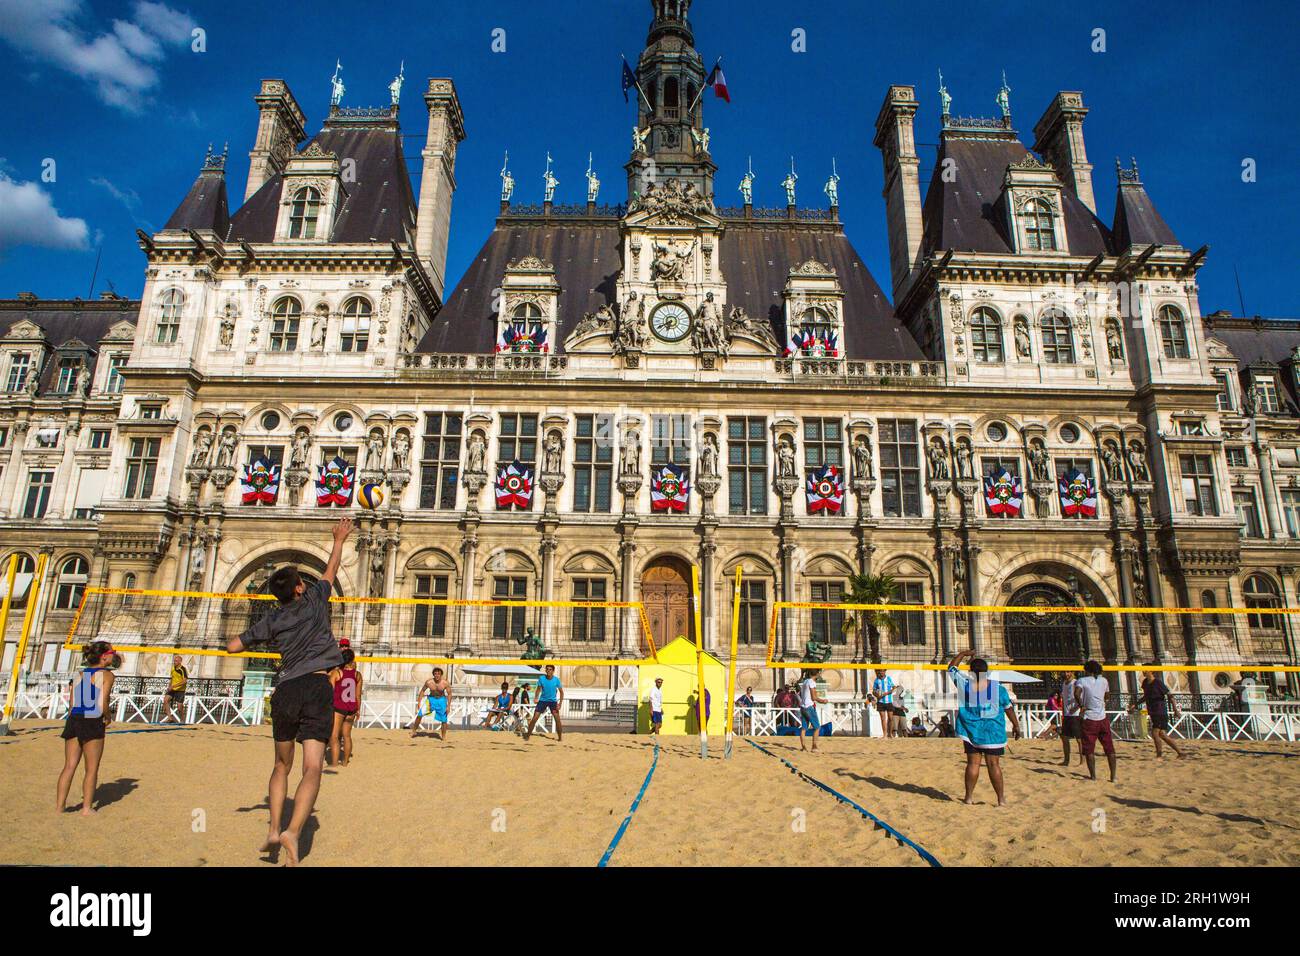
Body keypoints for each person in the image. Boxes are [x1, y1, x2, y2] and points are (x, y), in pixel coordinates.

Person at [225, 516, 351, 865]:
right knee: (312, 768)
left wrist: (234, 638)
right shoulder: (314, 601)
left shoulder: (271, 619)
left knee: (281, 765)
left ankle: (272, 829)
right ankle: (293, 832)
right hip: (316, 686)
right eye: (300, 582)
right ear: (299, 588)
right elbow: (330, 570)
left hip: (285, 689)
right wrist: (338, 539)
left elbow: (234, 646)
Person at [947, 649, 1021, 806]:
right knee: (994, 765)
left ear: (971, 671)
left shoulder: (964, 684)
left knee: (973, 764)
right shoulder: (998, 689)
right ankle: (1001, 800)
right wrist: (1016, 725)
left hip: (971, 730)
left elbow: (951, 667)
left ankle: (968, 798)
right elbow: (1008, 709)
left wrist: (962, 654)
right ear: (987, 672)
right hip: (992, 732)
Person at [56, 641, 120, 814]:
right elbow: (102, 702)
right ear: (104, 656)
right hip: (92, 719)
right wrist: (108, 717)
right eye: (113, 652)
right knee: (91, 768)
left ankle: (60, 807)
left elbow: (71, 704)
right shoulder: (107, 675)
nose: (115, 654)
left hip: (75, 718)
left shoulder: (80, 674)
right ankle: (86, 808)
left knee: (69, 766)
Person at [1074, 659, 1117, 783]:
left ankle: (1093, 776)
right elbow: (1107, 695)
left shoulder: (1082, 680)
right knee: (1109, 748)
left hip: (1089, 718)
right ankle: (1113, 776)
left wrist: (1081, 705)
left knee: (1089, 749)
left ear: (1087, 670)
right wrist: (1102, 702)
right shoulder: (1104, 680)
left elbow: (1077, 693)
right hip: (1102, 718)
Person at [328, 647, 362, 767]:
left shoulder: (336, 673)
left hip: (339, 707)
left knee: (334, 736)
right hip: (351, 708)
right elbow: (358, 695)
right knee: (347, 736)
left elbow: (330, 692)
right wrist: (358, 709)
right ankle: (345, 762)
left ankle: (334, 763)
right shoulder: (357, 675)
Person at [1141, 669, 1184, 759]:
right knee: (1162, 734)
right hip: (1153, 711)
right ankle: (1180, 753)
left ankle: (1159, 755)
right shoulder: (1145, 683)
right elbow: (1146, 696)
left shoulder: (1158, 683)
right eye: (1142, 670)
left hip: (1160, 711)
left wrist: (1175, 710)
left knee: (1155, 733)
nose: (1143, 672)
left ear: (1151, 671)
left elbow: (1170, 696)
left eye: (1145, 670)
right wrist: (1136, 704)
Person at [410, 667, 452, 741]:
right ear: (433, 675)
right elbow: (422, 691)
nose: (437, 675)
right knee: (420, 714)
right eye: (435, 674)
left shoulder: (445, 683)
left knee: (444, 719)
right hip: (431, 699)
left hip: (441, 700)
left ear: (441, 675)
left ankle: (443, 736)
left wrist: (448, 706)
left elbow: (449, 694)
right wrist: (419, 702)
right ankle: (414, 731)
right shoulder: (429, 682)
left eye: (438, 674)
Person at [524, 664, 563, 742]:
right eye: (547, 669)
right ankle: (527, 736)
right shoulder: (542, 678)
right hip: (542, 701)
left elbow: (561, 692)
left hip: (553, 701)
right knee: (534, 718)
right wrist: (536, 698)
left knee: (557, 719)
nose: (548, 671)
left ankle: (560, 738)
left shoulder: (556, 680)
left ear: (553, 671)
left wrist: (560, 704)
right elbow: (538, 689)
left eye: (550, 669)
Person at [1059, 671, 1084, 765]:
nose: (1066, 674)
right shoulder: (1064, 684)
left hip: (1075, 714)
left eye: (1068, 672)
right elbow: (1065, 699)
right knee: (1064, 738)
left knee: (1079, 739)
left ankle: (1082, 760)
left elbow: (1080, 697)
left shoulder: (1076, 683)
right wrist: (1063, 712)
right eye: (1065, 672)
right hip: (1067, 714)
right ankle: (1066, 760)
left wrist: (1077, 707)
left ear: (1072, 673)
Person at [798, 670, 825, 752]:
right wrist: (823, 701)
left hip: (802, 706)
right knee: (817, 727)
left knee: (804, 728)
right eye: (819, 673)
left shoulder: (805, 681)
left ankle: (803, 747)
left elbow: (800, 694)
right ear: (817, 674)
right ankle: (814, 747)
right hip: (809, 706)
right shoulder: (812, 682)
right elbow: (814, 697)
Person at [162, 654, 188, 723]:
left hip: (180, 690)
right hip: (172, 689)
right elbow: (172, 678)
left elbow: (184, 681)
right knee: (165, 700)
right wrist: (169, 686)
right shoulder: (173, 668)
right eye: (174, 661)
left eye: (176, 661)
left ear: (180, 662)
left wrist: (174, 686)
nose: (174, 662)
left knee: (179, 707)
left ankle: (182, 720)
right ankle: (170, 718)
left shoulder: (183, 669)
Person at [872, 669, 897, 738]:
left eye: (882, 671)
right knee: (883, 718)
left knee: (890, 718)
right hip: (880, 702)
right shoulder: (877, 680)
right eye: (880, 671)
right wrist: (877, 695)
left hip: (889, 701)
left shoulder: (888, 679)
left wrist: (887, 693)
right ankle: (885, 734)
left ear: (885, 671)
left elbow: (894, 688)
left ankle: (890, 734)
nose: (881, 672)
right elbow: (873, 691)